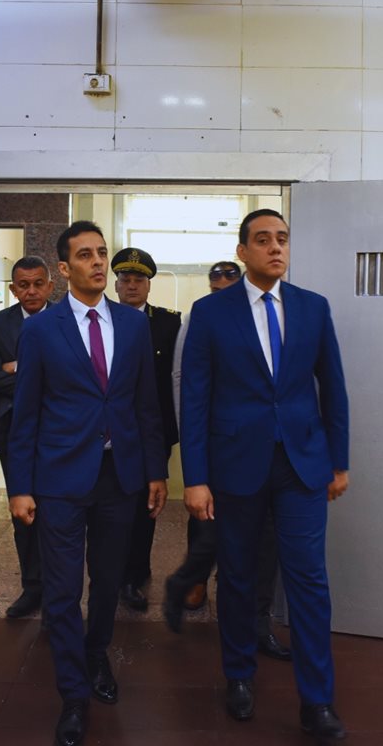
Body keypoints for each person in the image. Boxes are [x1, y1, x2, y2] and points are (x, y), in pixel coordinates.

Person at [179, 210, 350, 741]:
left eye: (282, 239)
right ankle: (238, 675)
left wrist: (339, 461)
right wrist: (195, 477)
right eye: (263, 240)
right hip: (235, 465)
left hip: (302, 464)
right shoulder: (211, 312)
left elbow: (333, 387)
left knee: (309, 580)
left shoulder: (312, 307)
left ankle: (317, 700)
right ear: (243, 251)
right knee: (237, 576)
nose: (276, 248)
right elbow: (195, 397)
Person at [7, 221, 167, 746]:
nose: (98, 262)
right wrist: (20, 486)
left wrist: (155, 471)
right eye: (85, 255)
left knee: (108, 579)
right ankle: (73, 693)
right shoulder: (41, 330)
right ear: (64, 267)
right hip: (59, 477)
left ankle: (97, 653)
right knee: (61, 587)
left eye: (101, 252)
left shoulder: (134, 325)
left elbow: (146, 405)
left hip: (120, 476)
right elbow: (26, 413)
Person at [164, 261, 292, 663]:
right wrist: (193, 445)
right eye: (215, 288)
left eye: (229, 287)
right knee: (214, 531)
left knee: (267, 543)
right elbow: (183, 380)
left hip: (268, 451)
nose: (222, 295)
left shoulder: (270, 316)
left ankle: (259, 625)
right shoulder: (201, 318)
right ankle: (189, 582)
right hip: (220, 448)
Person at [0, 255, 54, 619]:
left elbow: (71, 375)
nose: (31, 291)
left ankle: (58, 588)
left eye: (38, 284)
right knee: (23, 512)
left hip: (57, 431)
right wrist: (38, 373)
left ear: (50, 286)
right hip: (12, 430)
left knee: (57, 511)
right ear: (13, 289)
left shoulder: (66, 318)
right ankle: (32, 587)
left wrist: (18, 369)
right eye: (23, 285)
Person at [110, 247, 181, 612]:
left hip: (152, 431)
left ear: (149, 285)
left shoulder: (168, 325)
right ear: (116, 284)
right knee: (110, 505)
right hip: (109, 433)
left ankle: (135, 574)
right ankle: (110, 571)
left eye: (139, 279)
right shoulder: (101, 320)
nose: (132, 285)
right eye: (125, 279)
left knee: (145, 506)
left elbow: (177, 379)